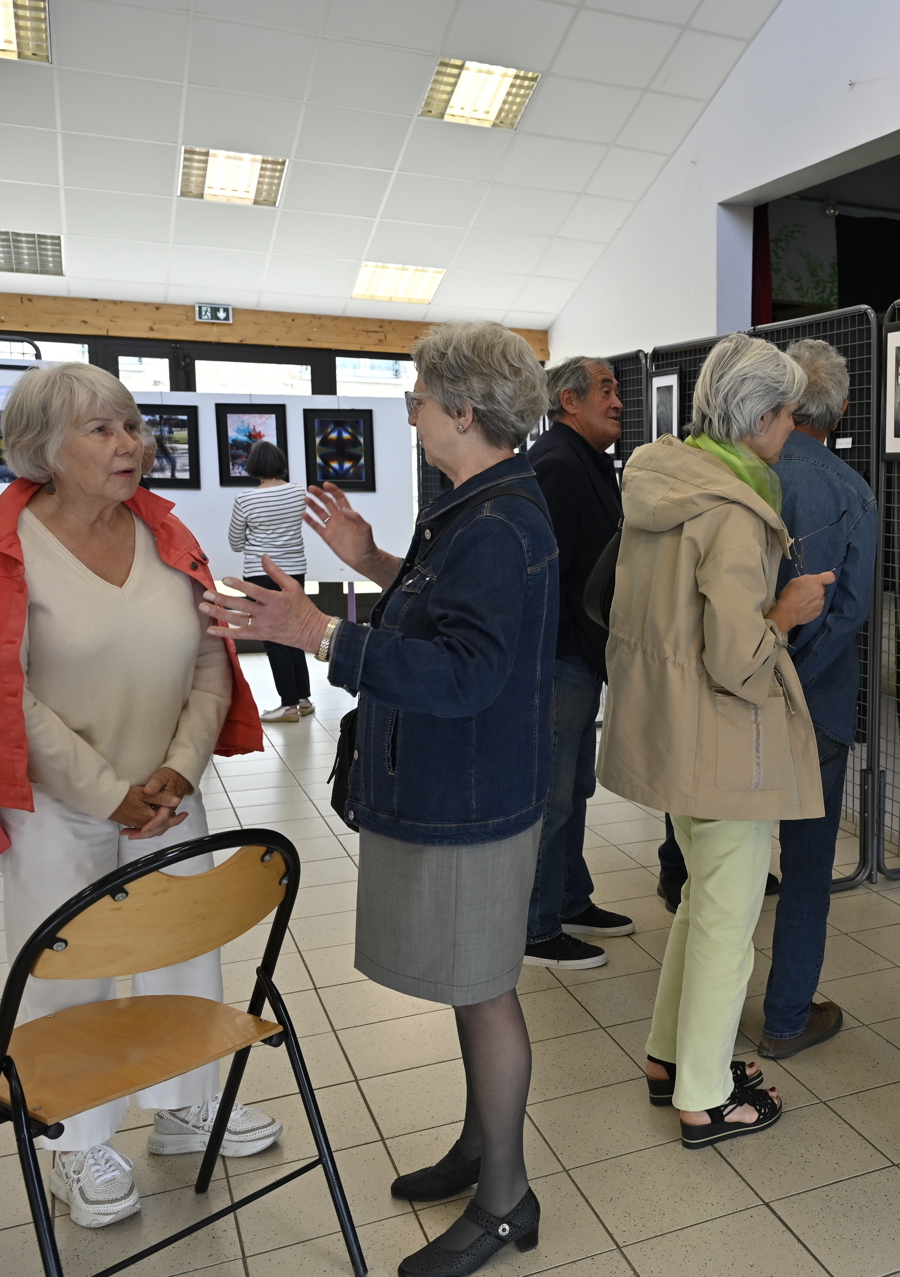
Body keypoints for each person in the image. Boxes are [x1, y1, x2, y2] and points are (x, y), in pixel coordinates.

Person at [202, 322, 557, 1277]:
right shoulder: (475, 505)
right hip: (462, 786)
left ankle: (507, 1197)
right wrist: (371, 563)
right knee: (465, 976)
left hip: (473, 794)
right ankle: (483, 1144)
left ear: (463, 410)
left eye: (417, 395)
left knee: (483, 989)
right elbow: (453, 611)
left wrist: (322, 634)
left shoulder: (499, 519)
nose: (408, 409)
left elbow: (465, 672)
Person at [0, 362, 277, 1231]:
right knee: (66, 971)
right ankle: (73, 1138)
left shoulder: (164, 532)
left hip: (168, 789)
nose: (131, 444)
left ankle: (185, 1106)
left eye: (131, 424)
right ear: (45, 447)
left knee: (182, 951)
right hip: (55, 804)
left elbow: (209, 660)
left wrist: (179, 771)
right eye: (102, 429)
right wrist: (107, 791)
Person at [597, 332, 833, 1148]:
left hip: (673, 730)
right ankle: (704, 1092)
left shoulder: (664, 480)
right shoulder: (734, 513)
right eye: (790, 415)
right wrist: (790, 610)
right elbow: (738, 658)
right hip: (726, 741)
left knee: (704, 902)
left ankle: (670, 1058)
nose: (792, 430)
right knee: (727, 923)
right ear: (762, 417)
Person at [752, 339, 875, 1060]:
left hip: (734, 692)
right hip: (819, 708)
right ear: (844, 409)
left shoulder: (743, 470)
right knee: (805, 871)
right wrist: (795, 674)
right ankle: (787, 1017)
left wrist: (760, 667)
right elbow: (850, 608)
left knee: (726, 860)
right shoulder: (854, 491)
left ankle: (695, 1019)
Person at [522, 356, 635, 970]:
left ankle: (569, 898)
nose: (618, 401)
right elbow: (543, 574)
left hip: (583, 655)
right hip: (561, 655)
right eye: (605, 390)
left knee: (575, 789)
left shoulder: (586, 460)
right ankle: (537, 928)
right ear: (569, 401)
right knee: (554, 796)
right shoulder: (558, 465)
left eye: (617, 390)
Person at [226, 440, 314, 723]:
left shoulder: (246, 500)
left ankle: (287, 706)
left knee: (274, 637)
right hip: (293, 572)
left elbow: (235, 542)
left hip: (260, 573)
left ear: (252, 467)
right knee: (295, 632)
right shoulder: (298, 492)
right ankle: (303, 699)